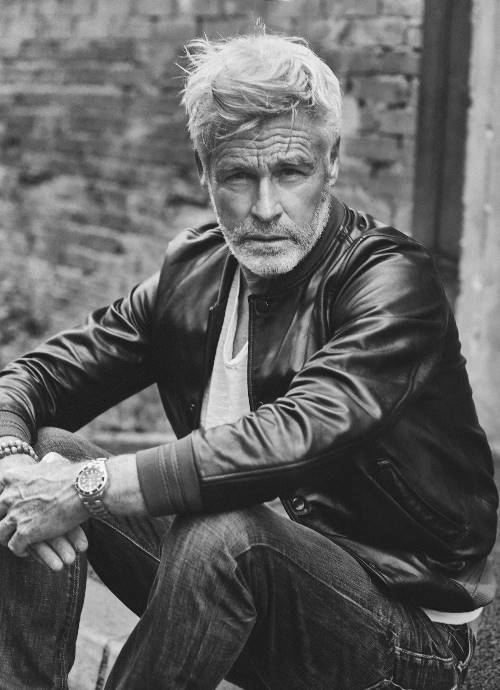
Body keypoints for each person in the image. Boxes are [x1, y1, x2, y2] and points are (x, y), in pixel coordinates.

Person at [0, 32, 497, 690]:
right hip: (236, 593)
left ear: (332, 162)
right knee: (47, 451)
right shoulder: (192, 273)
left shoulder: (389, 281)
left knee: (224, 533)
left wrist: (87, 487)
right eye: (239, 176)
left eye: (291, 172)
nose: (265, 208)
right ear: (205, 173)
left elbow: (295, 434)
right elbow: (33, 379)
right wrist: (15, 462)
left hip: (405, 632)